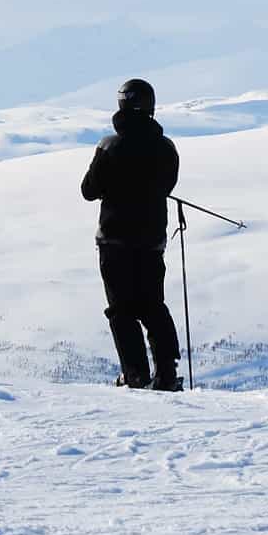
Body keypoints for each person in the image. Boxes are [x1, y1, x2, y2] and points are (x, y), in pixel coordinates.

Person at [81, 78, 183, 391]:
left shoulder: (109, 146)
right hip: (152, 240)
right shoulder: (166, 148)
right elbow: (168, 186)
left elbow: (89, 190)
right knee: (153, 306)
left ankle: (135, 374)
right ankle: (166, 374)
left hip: (114, 239)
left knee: (121, 311)